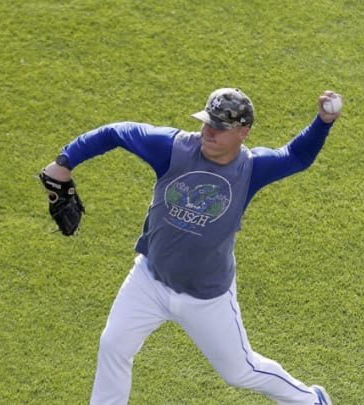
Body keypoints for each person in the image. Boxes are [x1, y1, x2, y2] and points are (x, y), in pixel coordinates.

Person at [42, 88, 342, 404]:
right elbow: (116, 132)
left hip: (206, 296)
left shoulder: (251, 169)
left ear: (243, 132)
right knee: (113, 345)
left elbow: (296, 156)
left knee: (239, 371)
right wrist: (63, 162)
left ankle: (311, 400)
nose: (209, 131)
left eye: (220, 127)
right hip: (149, 279)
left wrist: (323, 122)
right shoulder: (174, 148)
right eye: (207, 122)